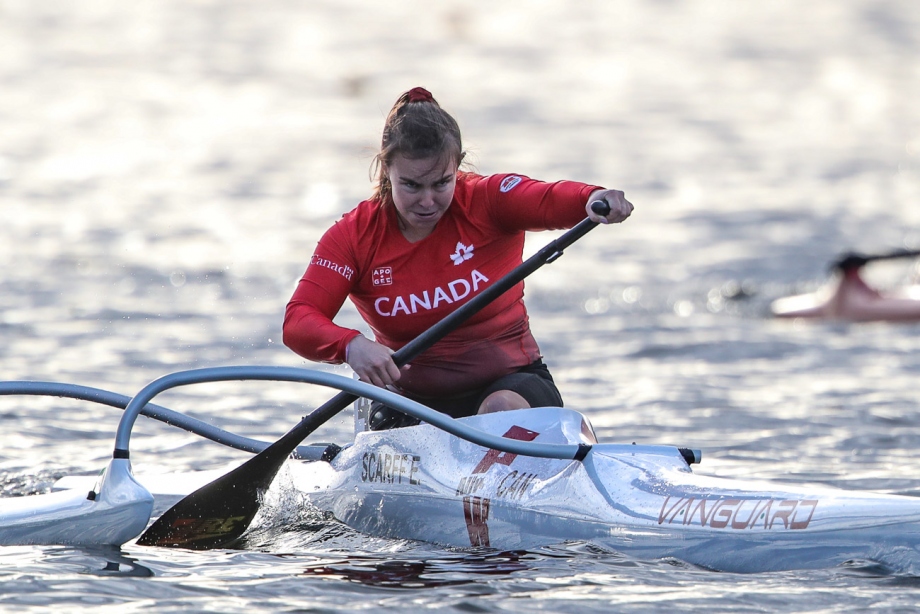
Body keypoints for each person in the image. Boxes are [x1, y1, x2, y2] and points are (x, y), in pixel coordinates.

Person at [283, 87, 633, 429]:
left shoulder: (489, 201)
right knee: (400, 414)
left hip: (512, 387)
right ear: (386, 168)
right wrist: (351, 345)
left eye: (441, 183)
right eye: (411, 185)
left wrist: (593, 197)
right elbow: (299, 320)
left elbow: (549, 198)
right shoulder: (353, 237)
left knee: (499, 409)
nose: (427, 201)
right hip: (410, 402)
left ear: (458, 165)